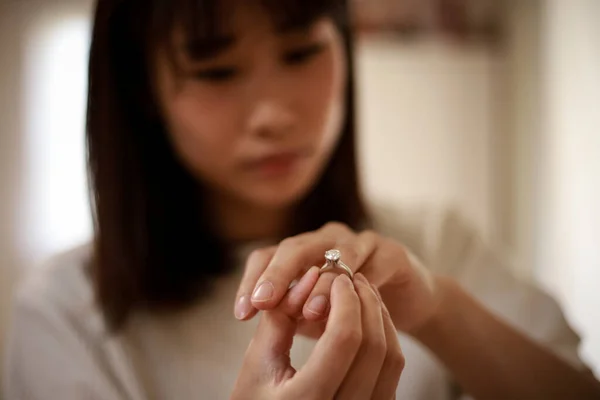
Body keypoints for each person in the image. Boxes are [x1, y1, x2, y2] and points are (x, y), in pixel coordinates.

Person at [3, 0, 600, 398]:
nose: (274, 114)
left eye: (300, 52)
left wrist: (438, 310)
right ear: (143, 94)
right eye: (216, 71)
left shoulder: (437, 241)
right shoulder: (65, 312)